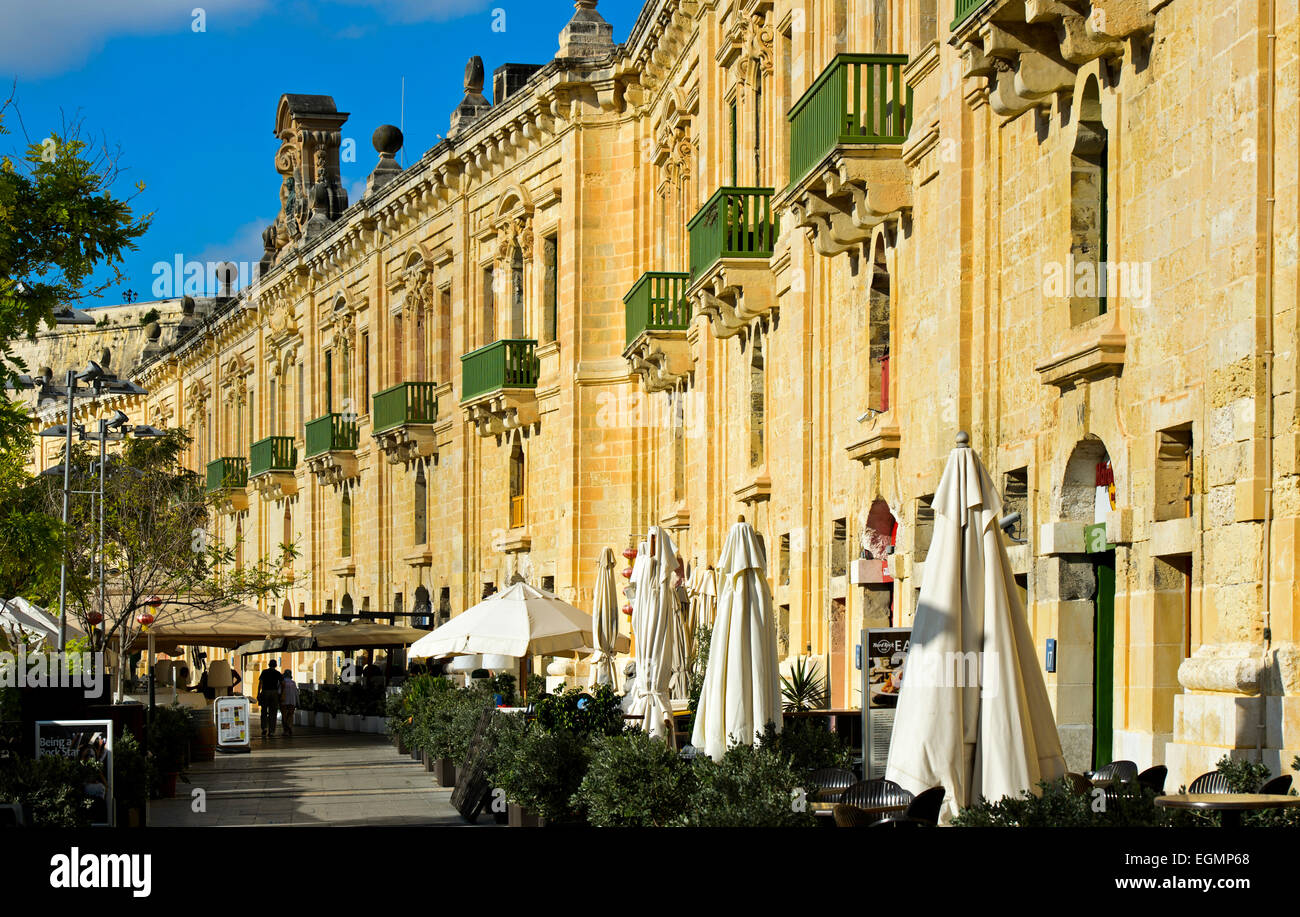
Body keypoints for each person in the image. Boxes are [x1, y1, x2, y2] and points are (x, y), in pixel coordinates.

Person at [257, 660, 284, 737]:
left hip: (265, 692)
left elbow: (260, 683)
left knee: (264, 711)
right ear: (275, 665)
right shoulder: (278, 673)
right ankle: (271, 731)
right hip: (274, 693)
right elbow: (283, 684)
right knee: (273, 712)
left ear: (269, 665)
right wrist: (281, 693)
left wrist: (258, 693)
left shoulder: (264, 672)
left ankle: (264, 728)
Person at [279, 669, 298, 736]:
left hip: (284, 701)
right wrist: (298, 702)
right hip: (292, 701)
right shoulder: (293, 683)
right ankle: (290, 726)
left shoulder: (282, 682)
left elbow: (279, 692)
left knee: (284, 715)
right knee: (290, 715)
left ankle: (285, 730)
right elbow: (296, 693)